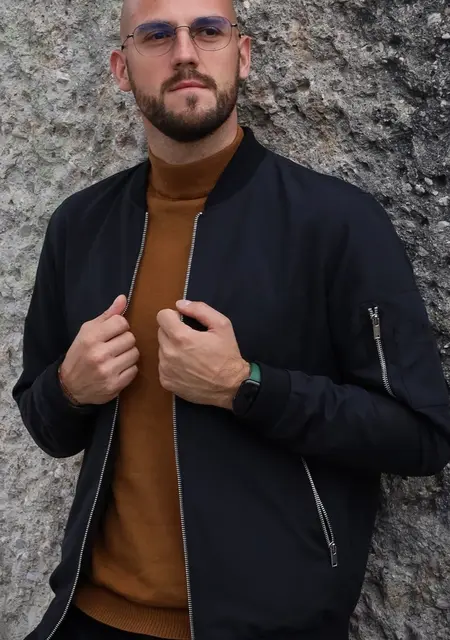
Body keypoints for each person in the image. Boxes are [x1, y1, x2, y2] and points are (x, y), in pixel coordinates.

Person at [12, 0, 450, 638]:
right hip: (90, 616)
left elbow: (421, 436)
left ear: (241, 56)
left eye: (208, 31)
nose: (185, 53)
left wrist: (247, 386)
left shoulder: (335, 223)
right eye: (156, 35)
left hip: (268, 625)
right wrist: (68, 388)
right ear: (121, 68)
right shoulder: (80, 226)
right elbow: (46, 424)